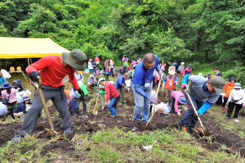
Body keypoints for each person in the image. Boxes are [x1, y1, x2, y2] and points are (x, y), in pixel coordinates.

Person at [11, 48, 87, 143]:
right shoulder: (50, 59)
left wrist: (78, 88)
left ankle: (67, 129)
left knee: (64, 110)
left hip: (58, 89)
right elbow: (30, 67)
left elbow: (72, 78)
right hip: (44, 89)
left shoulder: (70, 67)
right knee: (35, 109)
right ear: (69, 60)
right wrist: (33, 73)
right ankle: (22, 135)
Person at [131, 53, 163, 122]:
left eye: (152, 66)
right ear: (143, 62)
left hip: (149, 83)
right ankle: (135, 120)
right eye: (148, 67)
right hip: (139, 86)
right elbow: (137, 88)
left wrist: (160, 72)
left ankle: (145, 120)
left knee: (147, 104)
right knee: (140, 105)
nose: (150, 68)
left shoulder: (155, 58)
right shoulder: (139, 70)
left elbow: (157, 65)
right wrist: (148, 97)